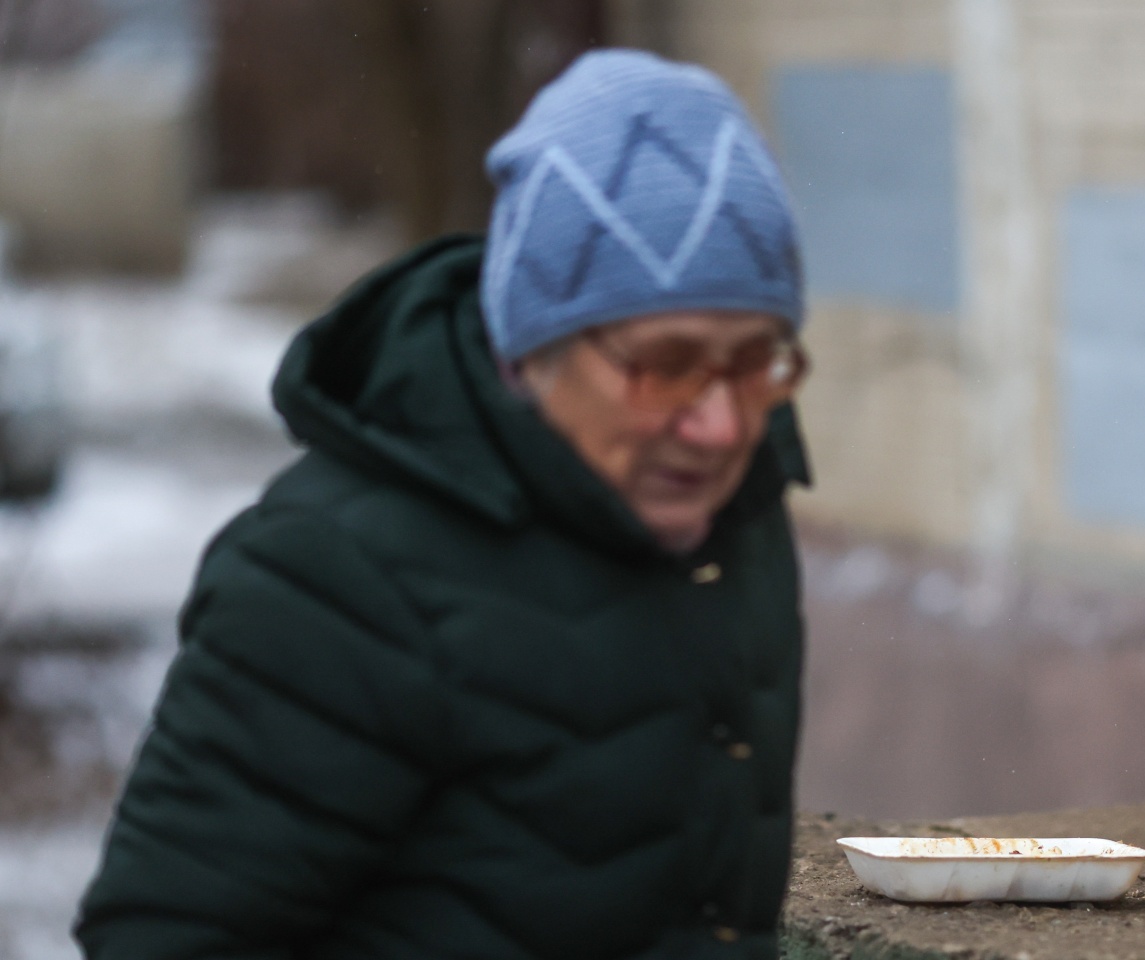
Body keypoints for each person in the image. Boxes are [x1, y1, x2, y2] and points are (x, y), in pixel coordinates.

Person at [75, 50, 811, 959]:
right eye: (664, 364)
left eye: (754, 360)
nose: (719, 424)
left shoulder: (738, 517)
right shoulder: (333, 575)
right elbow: (166, 938)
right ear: (531, 346)